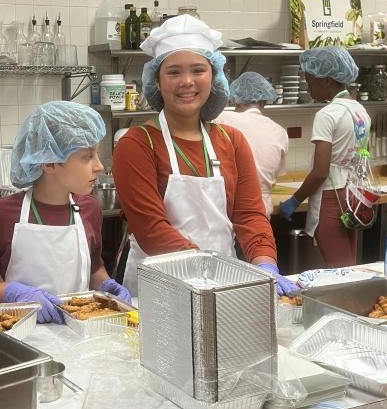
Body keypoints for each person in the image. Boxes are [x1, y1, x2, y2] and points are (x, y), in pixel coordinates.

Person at [113, 15, 295, 298]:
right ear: (156, 81)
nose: (187, 81)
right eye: (173, 72)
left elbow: (249, 215)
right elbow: (151, 229)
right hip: (159, 289)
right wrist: (209, 271)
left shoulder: (231, 141)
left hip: (221, 286)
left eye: (198, 69)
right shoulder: (137, 144)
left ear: (215, 76)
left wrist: (265, 263)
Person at [0, 101, 131, 323]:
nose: (99, 166)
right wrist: (14, 293)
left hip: (82, 332)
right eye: (87, 156)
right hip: (26, 334)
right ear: (49, 163)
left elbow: (94, 268)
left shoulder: (89, 209)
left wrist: (106, 285)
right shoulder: (1, 214)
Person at [279, 47, 371, 268]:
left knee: (340, 272)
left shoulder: (327, 114)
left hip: (331, 199)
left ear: (328, 81)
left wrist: (294, 200)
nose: (309, 89)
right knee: (349, 264)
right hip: (354, 195)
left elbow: (320, 171)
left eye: (311, 83)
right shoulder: (359, 111)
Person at [214, 72, 289, 217]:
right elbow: (275, 176)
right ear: (264, 102)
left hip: (230, 206)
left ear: (237, 101)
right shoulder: (280, 131)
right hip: (262, 209)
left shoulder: (222, 118)